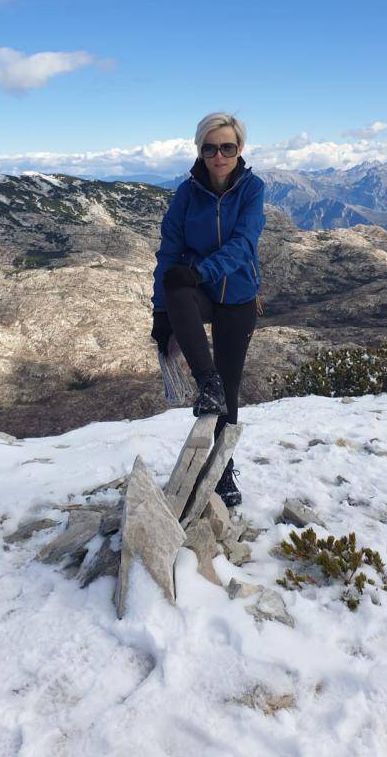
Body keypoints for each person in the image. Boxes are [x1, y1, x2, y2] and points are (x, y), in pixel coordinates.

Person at [150, 112, 266, 507]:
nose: (219, 156)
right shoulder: (187, 194)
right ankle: (206, 382)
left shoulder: (252, 189)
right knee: (174, 284)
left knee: (231, 387)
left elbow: (243, 245)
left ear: (240, 149)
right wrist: (161, 313)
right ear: (200, 151)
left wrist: (200, 271)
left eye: (227, 148)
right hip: (199, 292)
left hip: (238, 294)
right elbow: (169, 252)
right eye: (210, 148)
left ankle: (223, 469)